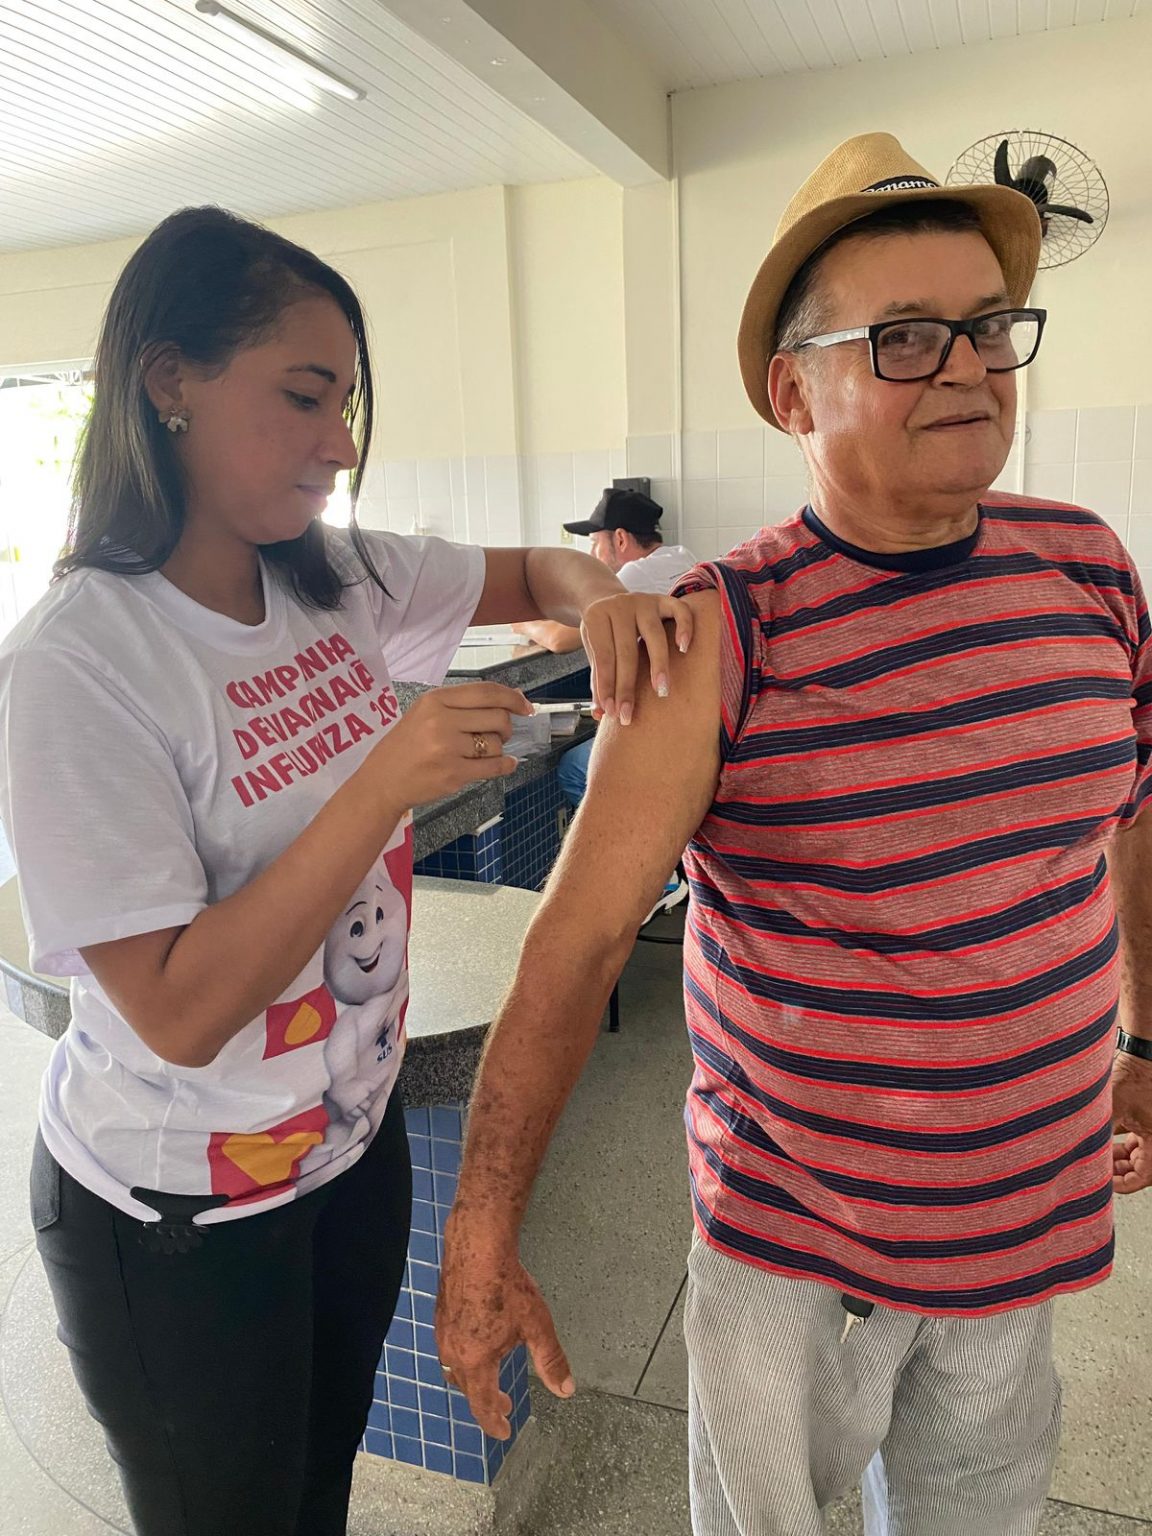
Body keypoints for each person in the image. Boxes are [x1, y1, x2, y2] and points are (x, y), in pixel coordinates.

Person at [436, 132, 1152, 1536]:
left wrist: (1144, 1036)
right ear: (792, 392)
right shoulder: (721, 637)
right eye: (905, 338)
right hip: (797, 1254)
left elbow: (1132, 816)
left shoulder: (1091, 567)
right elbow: (577, 946)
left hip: (1030, 1216)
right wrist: (483, 1229)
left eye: (988, 328)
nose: (967, 368)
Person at [0, 206, 695, 1536]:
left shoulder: (337, 576)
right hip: (179, 1215)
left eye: (349, 404)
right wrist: (383, 779)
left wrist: (599, 597)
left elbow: (535, 566)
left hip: (345, 1156)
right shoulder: (78, 664)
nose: (341, 442)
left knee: (318, 1496)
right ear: (169, 382)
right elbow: (180, 1010)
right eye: (304, 397)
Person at [513, 488, 698, 805]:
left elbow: (561, 639)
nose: (593, 553)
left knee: (573, 768)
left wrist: (522, 624)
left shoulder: (636, 575)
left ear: (620, 539)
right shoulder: (682, 557)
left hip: (666, 725)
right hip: (691, 713)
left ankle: (632, 830)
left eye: (595, 542)